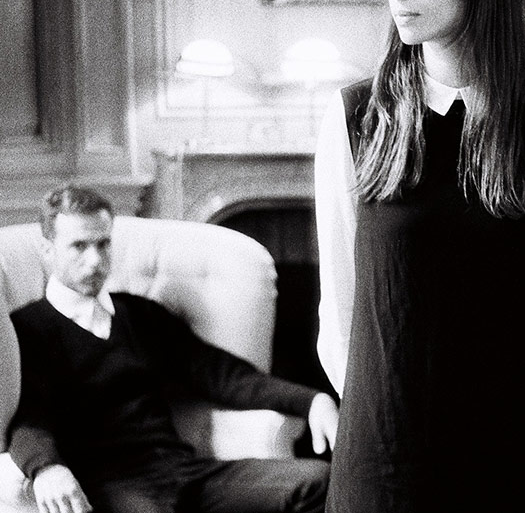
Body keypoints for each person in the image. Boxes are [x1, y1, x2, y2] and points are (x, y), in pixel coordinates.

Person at [314, 0, 525, 511]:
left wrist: (511, 411)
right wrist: (384, 415)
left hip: (512, 452)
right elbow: (340, 311)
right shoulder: (354, 116)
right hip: (387, 455)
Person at [8, 186, 339, 513]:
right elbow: (25, 415)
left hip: (185, 473)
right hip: (113, 487)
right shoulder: (27, 328)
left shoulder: (140, 313)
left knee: (317, 481)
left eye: (103, 244)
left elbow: (222, 375)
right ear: (48, 249)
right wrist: (45, 467)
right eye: (79, 246)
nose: (95, 261)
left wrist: (312, 400)